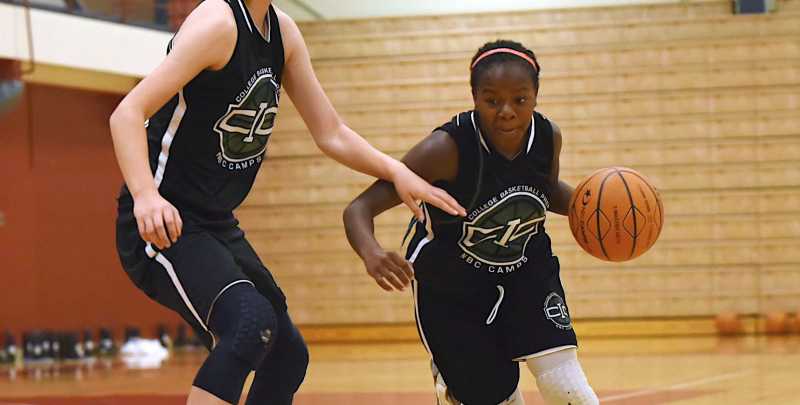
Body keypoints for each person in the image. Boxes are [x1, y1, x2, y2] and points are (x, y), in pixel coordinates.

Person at [109, 1, 465, 404]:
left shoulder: (283, 31)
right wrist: (145, 196)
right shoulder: (217, 23)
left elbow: (330, 131)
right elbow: (126, 113)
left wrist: (396, 170)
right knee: (248, 322)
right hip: (165, 219)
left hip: (216, 221)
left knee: (286, 353)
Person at [343, 40, 600, 405]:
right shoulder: (445, 149)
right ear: (474, 97)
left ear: (536, 96)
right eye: (492, 100)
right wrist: (370, 252)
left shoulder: (548, 137)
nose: (506, 111)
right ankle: (455, 384)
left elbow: (541, 190)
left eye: (520, 99)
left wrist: (592, 207)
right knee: (494, 397)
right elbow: (359, 208)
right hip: (452, 285)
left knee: (567, 386)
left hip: (526, 269)